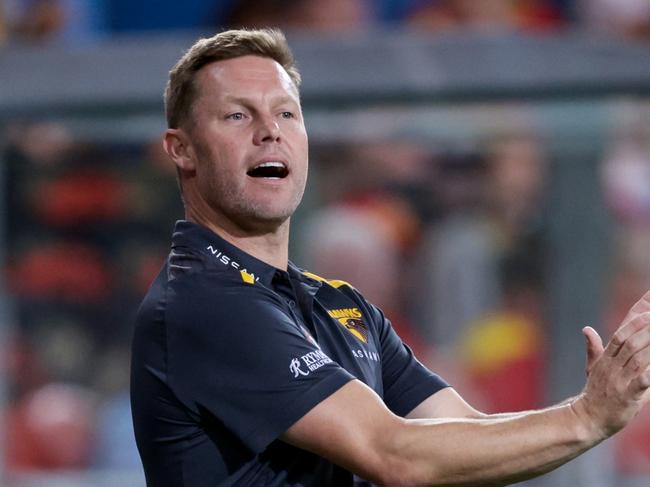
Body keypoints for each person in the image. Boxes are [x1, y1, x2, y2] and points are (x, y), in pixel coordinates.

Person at [130, 28, 650, 486]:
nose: (271, 130)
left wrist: (591, 407)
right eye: (238, 115)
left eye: (286, 112)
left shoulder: (340, 304)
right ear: (182, 149)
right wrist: (586, 417)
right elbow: (394, 454)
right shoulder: (201, 302)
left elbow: (463, 438)